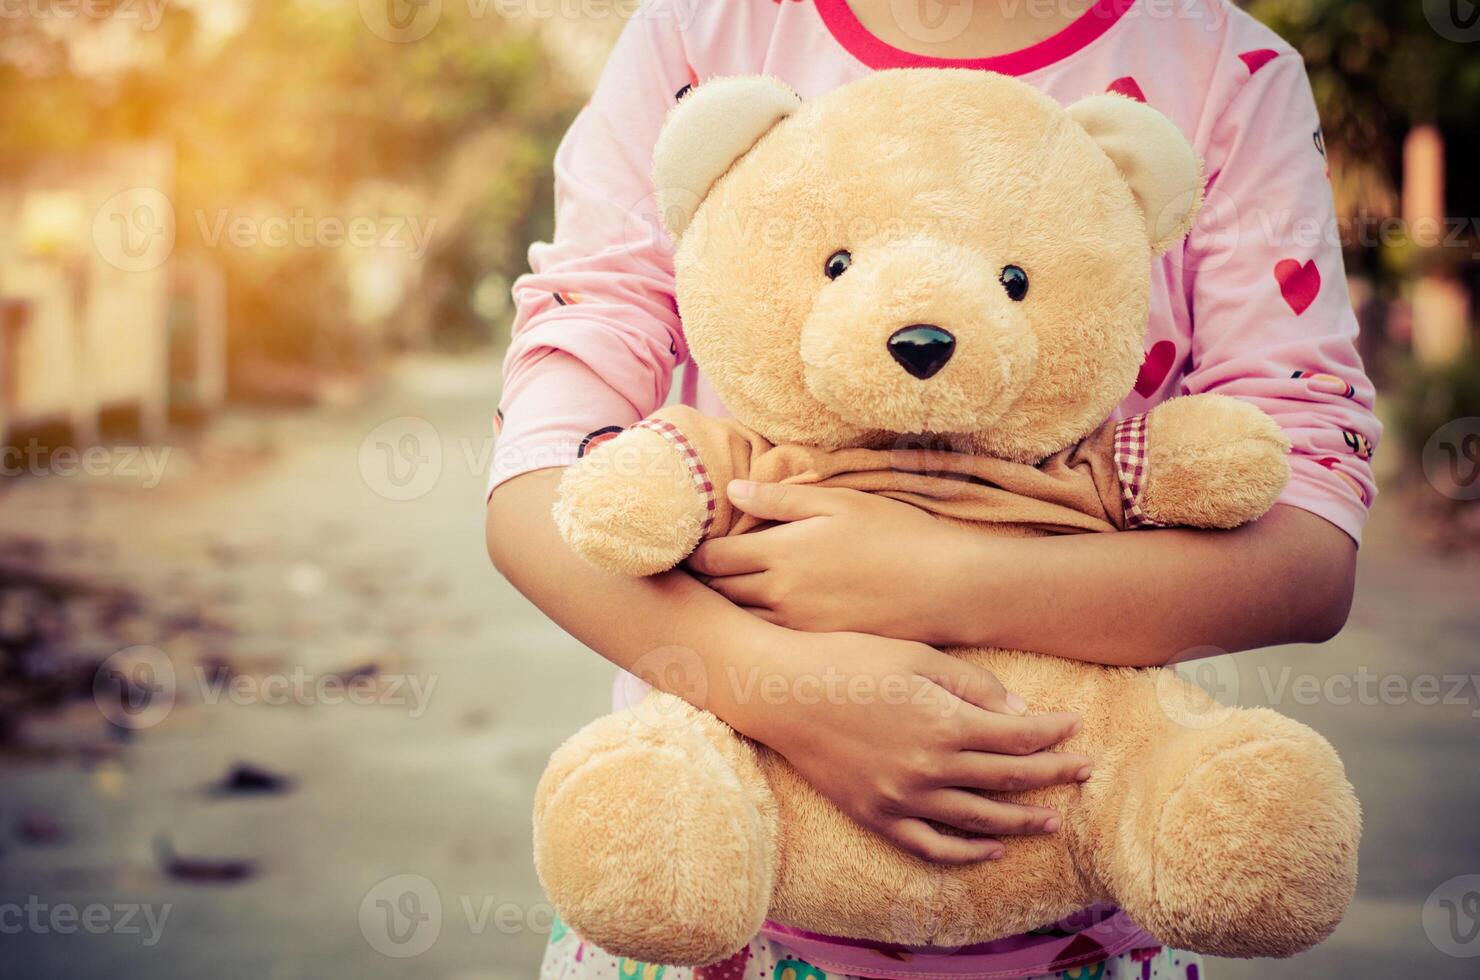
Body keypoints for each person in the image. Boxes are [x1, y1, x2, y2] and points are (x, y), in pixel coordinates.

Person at [486, 1, 1379, 976]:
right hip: (726, 904)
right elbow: (546, 485)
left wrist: (943, 578)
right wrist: (776, 686)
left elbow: (1304, 554)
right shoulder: (703, 34)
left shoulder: (1225, 71)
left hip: (1078, 917)